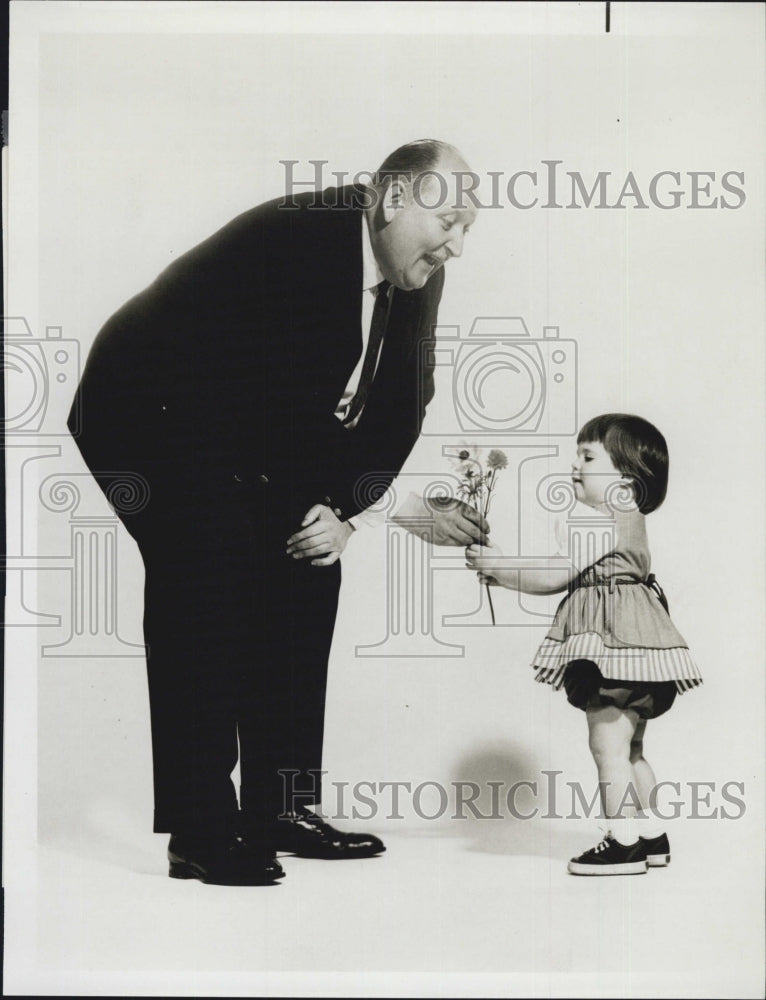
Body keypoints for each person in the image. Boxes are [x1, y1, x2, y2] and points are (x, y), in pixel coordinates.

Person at [68, 139, 487, 886]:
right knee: (208, 573)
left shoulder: (417, 267)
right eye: (448, 223)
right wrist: (392, 509)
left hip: (253, 426)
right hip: (149, 411)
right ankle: (200, 827)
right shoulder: (300, 242)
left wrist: (347, 510)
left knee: (308, 554)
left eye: (466, 229)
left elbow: (403, 402)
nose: (456, 245)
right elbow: (264, 406)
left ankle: (280, 807)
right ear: (393, 200)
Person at [466, 413, 703, 875]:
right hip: (641, 645)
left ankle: (623, 844)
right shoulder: (625, 518)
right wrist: (505, 571)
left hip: (613, 645)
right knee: (630, 749)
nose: (575, 464)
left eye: (589, 457)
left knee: (606, 746)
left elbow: (554, 575)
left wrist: (498, 567)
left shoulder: (602, 518)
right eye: (577, 455)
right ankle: (651, 835)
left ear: (625, 481)